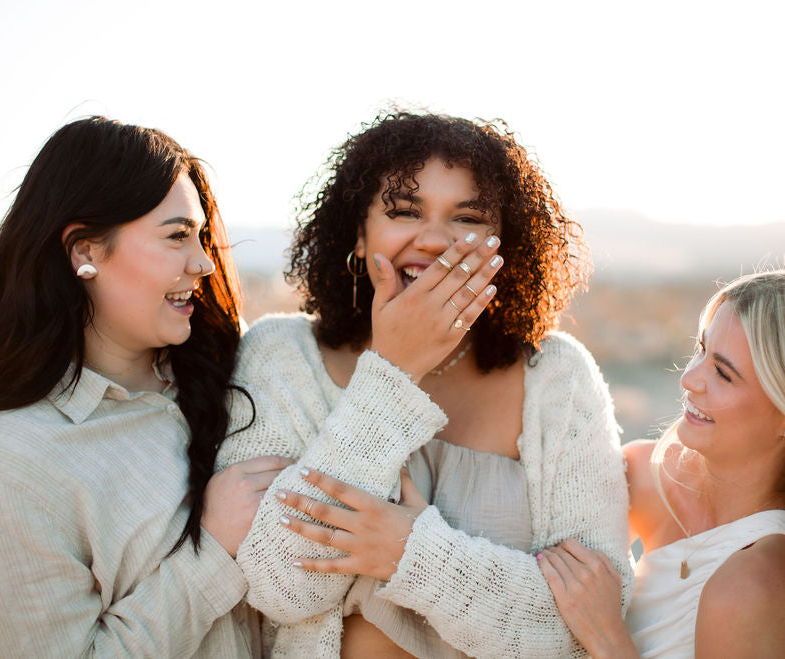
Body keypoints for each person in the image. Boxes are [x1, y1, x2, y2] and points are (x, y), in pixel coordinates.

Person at [216, 110, 632, 657]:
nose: (435, 240)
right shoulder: (282, 356)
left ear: (505, 242)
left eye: (468, 217)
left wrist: (406, 550)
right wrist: (392, 373)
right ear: (359, 235)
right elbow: (281, 589)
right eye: (405, 211)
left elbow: (588, 628)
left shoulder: (558, 377)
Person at [0, 117, 291, 657]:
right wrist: (214, 551)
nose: (203, 263)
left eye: (200, 237)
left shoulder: (243, 375)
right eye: (176, 236)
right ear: (85, 252)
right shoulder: (4, 465)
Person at [535, 255, 785, 658]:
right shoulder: (645, 473)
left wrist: (606, 637)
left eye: (723, 373)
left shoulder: (758, 581)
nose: (689, 378)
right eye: (701, 349)